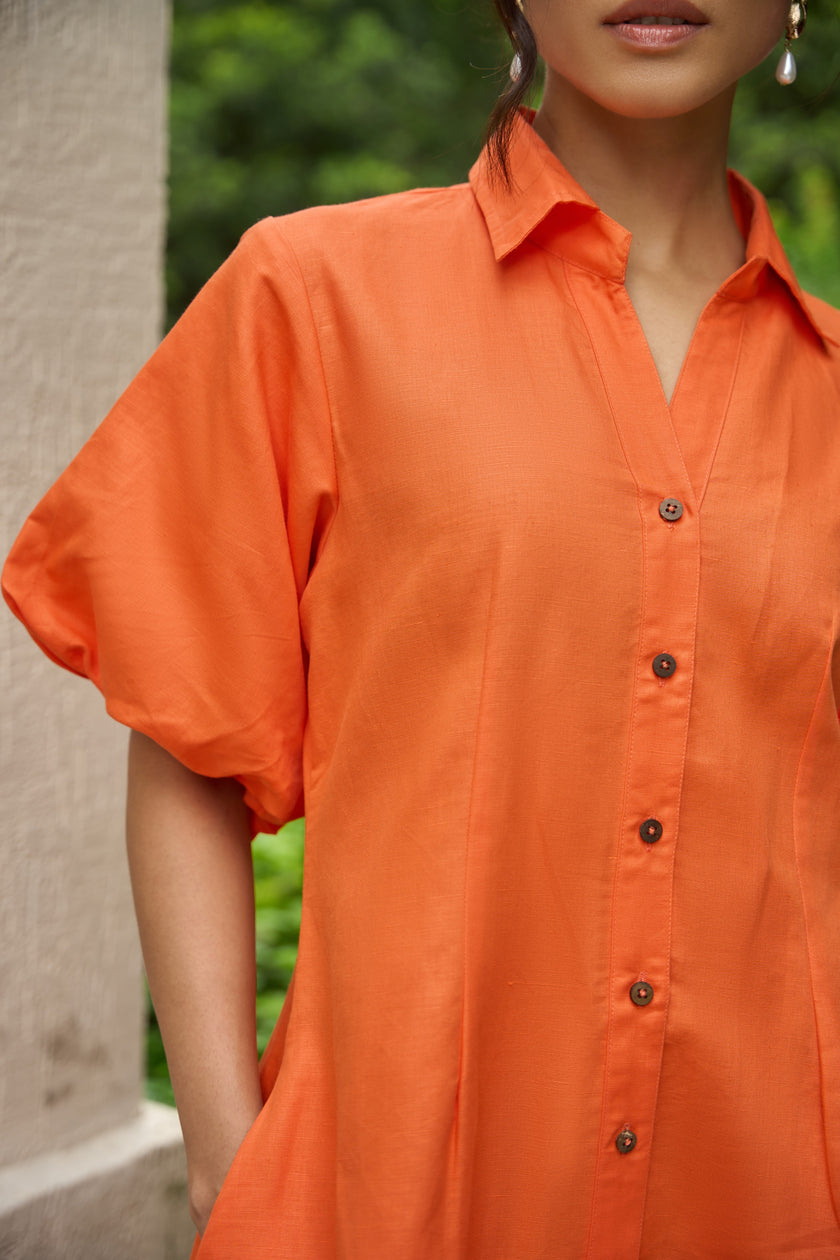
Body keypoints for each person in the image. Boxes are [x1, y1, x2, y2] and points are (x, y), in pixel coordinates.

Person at [3, 0, 839, 1255]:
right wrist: (227, 1164)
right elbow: (192, 744)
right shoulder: (315, 293)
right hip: (385, 1200)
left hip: (761, 1198)